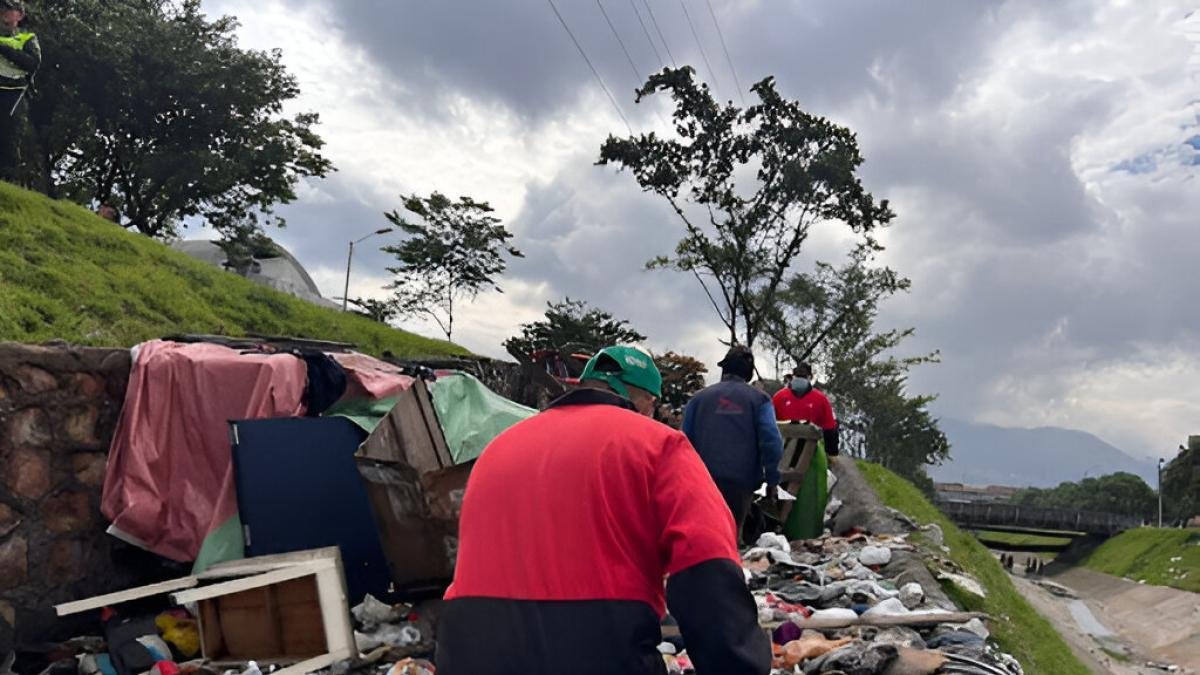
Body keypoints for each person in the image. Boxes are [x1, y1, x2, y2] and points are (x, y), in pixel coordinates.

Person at [437, 345, 770, 675]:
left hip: (465, 649)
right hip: (595, 648)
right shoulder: (659, 444)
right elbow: (706, 566)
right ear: (648, 402)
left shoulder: (499, 448)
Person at [681, 346, 784, 544]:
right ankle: (729, 571)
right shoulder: (760, 400)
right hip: (740, 482)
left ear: (723, 369)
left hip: (702, 480)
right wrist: (772, 479)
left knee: (702, 537)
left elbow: (683, 443)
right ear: (749, 372)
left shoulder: (698, 399)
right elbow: (772, 441)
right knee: (729, 538)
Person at [772, 362, 840, 539]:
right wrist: (832, 454)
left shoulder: (779, 397)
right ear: (811, 377)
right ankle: (809, 533)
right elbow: (830, 429)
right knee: (812, 494)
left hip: (782, 453)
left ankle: (778, 529)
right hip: (810, 457)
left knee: (779, 491)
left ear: (792, 376)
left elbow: (768, 427)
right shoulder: (820, 399)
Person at [0, 0, 39, 181]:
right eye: (2, 7)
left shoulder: (27, 38)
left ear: (20, 15)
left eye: (9, 8)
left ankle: (7, 178)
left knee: (8, 134)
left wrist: (4, 49)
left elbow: (32, 63)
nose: (4, 11)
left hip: (15, 92)